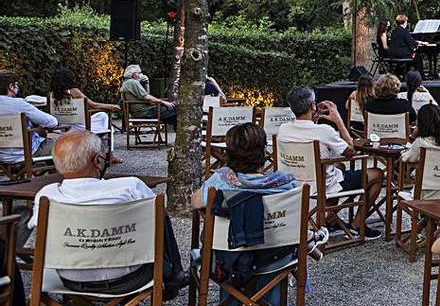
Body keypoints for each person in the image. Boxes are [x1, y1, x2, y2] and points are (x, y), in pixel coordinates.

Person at [27, 130, 186, 297]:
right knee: (160, 215)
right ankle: (174, 276)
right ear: (97, 160)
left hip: (70, 279)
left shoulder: (47, 195)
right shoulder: (130, 187)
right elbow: (160, 217)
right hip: (130, 278)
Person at [193, 123, 319, 306]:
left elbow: (195, 202)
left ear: (230, 152)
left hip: (230, 260)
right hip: (275, 258)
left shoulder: (219, 183)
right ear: (263, 151)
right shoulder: (287, 185)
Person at [277, 86, 384, 240]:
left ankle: (329, 218)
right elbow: (351, 151)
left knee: (338, 166)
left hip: (296, 182)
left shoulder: (283, 129)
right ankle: (357, 224)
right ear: (313, 105)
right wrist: (338, 120)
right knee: (378, 174)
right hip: (321, 185)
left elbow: (305, 129)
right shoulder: (324, 131)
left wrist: (314, 118)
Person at [0, 70, 58, 164]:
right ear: (11, 86)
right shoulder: (19, 104)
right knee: (62, 142)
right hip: (25, 153)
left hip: (2, 156)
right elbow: (52, 122)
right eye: (17, 85)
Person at [49, 67, 120, 132]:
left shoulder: (51, 95)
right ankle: (98, 138)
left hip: (62, 126)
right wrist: (112, 106)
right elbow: (93, 105)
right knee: (103, 115)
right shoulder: (74, 91)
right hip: (80, 126)